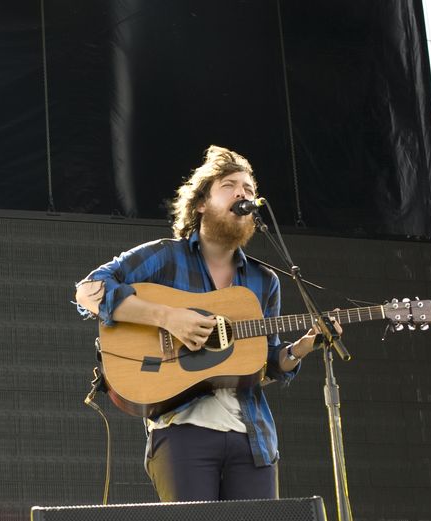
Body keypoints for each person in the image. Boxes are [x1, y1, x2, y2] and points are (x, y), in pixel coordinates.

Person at [74, 145, 342, 502]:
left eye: (248, 189)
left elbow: (265, 363)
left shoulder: (265, 281)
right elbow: (88, 291)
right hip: (182, 430)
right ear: (201, 203)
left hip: (253, 439)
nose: (243, 194)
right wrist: (168, 317)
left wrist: (300, 349)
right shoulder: (166, 257)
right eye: (230, 186)